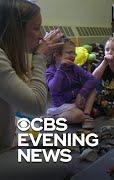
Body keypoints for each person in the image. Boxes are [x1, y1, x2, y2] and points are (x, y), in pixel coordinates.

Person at [0, 0, 63, 150]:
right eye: (36, 28)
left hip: (9, 140)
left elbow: (26, 87)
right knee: (63, 164)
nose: (41, 37)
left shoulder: (8, 54)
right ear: (14, 30)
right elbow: (37, 105)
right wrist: (40, 56)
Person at [46, 37, 99, 126]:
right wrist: (61, 69)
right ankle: (54, 118)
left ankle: (86, 115)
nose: (73, 56)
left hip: (76, 101)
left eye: (74, 53)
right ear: (56, 55)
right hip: (62, 105)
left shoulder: (74, 67)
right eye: (69, 53)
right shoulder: (50, 71)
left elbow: (92, 79)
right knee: (77, 115)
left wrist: (81, 93)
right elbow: (54, 89)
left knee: (93, 90)